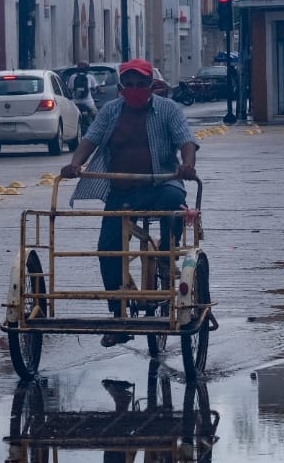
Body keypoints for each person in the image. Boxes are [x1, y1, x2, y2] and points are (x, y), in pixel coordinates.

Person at [61, 58, 199, 348]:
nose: (135, 90)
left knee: (175, 200)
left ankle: (166, 249)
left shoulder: (168, 110)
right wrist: (74, 164)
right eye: (130, 85)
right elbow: (90, 141)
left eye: (141, 85)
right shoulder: (111, 112)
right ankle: (117, 314)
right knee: (107, 251)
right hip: (121, 193)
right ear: (121, 88)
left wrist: (187, 163)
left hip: (161, 184)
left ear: (152, 86)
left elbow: (186, 140)